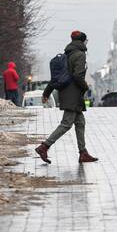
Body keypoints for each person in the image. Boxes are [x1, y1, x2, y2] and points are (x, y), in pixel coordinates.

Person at [35, 31, 99, 164]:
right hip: (73, 94)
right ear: (82, 41)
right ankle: (44, 146)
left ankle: (83, 153)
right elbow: (78, 75)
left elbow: (55, 78)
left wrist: (46, 93)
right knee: (66, 123)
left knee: (80, 122)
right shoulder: (80, 55)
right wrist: (85, 87)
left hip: (67, 92)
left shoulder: (67, 54)